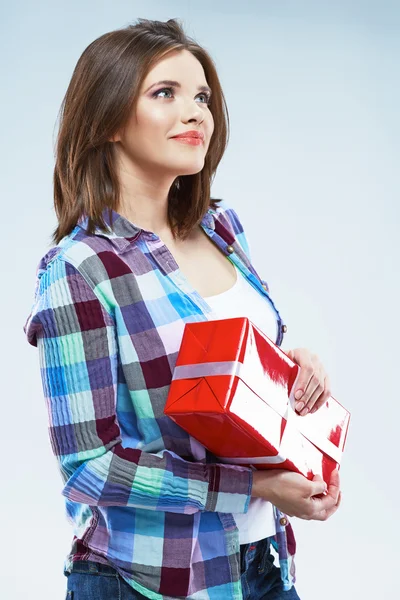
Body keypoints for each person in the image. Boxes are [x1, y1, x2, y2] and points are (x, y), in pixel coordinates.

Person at [23, 18, 341, 600]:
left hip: (261, 564)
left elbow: (223, 373)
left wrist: (291, 369)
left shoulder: (221, 228)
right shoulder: (82, 268)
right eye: (164, 93)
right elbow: (90, 466)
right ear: (110, 119)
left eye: (201, 97)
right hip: (149, 582)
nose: (196, 112)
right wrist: (254, 487)